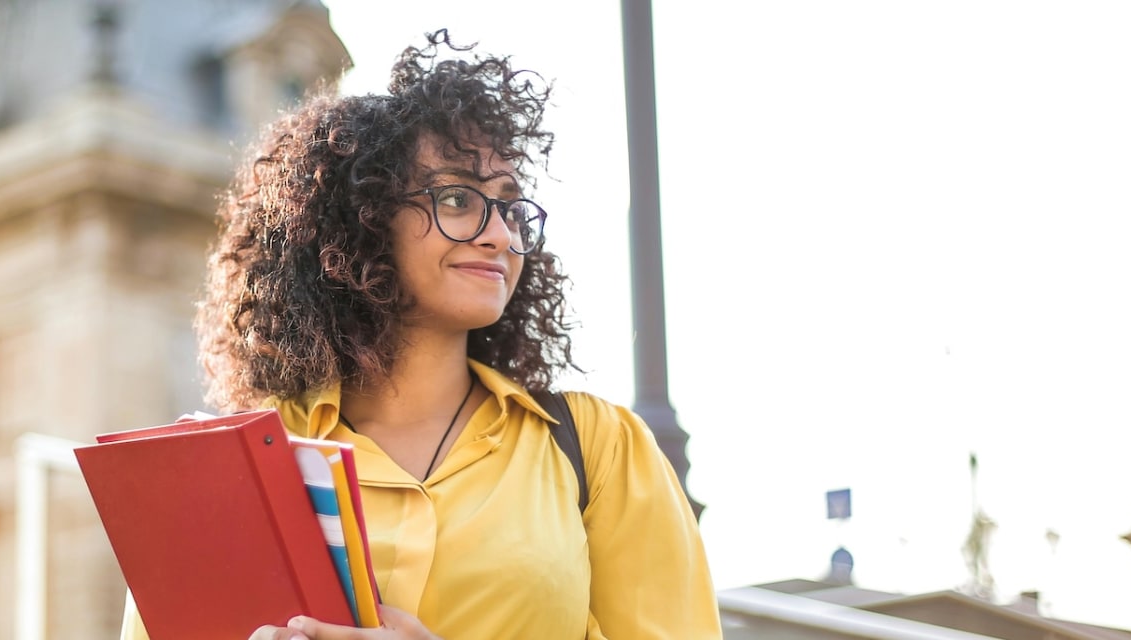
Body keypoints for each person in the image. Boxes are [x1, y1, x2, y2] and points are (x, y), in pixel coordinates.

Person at [120, 30, 720, 640]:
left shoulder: (597, 448)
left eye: (511, 206)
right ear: (365, 220)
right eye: (458, 198)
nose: (499, 236)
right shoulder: (236, 467)